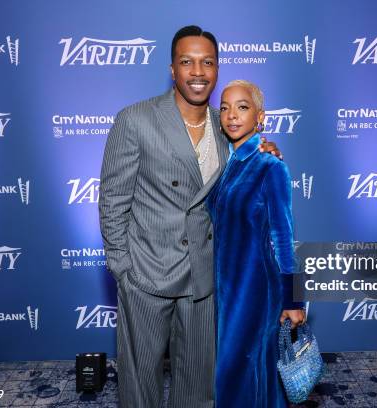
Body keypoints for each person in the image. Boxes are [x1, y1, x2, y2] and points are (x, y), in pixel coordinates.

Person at [98, 27, 280, 408]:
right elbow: (113, 199)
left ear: (217, 69)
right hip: (146, 274)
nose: (198, 71)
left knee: (199, 387)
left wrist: (266, 150)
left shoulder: (225, 124)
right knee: (139, 384)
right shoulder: (136, 119)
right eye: (187, 61)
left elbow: (248, 176)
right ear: (172, 68)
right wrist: (123, 269)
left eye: (207, 62)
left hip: (203, 276)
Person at [206, 80, 306, 408]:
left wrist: (294, 300)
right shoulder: (227, 164)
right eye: (225, 107)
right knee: (241, 375)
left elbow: (283, 237)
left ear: (259, 116)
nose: (232, 115)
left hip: (256, 292)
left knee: (242, 375)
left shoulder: (270, 166)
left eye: (242, 107)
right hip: (226, 290)